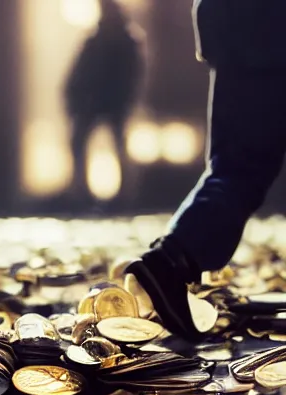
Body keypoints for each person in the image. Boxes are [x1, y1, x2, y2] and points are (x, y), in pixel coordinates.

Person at [126, 0, 286, 341]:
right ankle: (174, 257)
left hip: (238, 27)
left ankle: (176, 256)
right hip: (267, 31)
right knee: (242, 167)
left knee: (236, 165)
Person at [64, 0, 145, 207]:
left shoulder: (119, 40)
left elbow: (130, 74)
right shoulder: (103, 39)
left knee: (112, 144)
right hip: (97, 101)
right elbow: (80, 71)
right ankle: (83, 192)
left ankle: (120, 194)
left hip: (109, 100)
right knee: (84, 143)